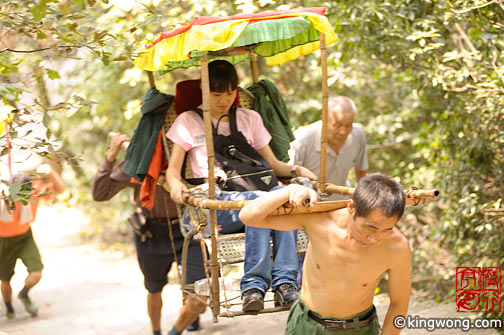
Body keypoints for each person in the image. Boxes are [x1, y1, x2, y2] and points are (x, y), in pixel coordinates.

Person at [166, 60, 317, 312]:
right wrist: (174, 185)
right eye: (216, 94)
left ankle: (284, 284)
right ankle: (254, 285)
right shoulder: (188, 121)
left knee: (282, 194)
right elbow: (173, 170)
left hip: (258, 196)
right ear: (203, 90)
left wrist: (297, 170)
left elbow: (273, 163)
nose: (224, 100)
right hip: (216, 204)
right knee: (264, 198)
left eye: (229, 92)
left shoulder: (250, 118)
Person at [239, 173, 412, 335]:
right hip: (306, 325)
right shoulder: (320, 221)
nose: (375, 238)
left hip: (360, 329)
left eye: (386, 230)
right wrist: (289, 191)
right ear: (352, 208)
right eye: (370, 227)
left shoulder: (397, 247)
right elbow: (249, 217)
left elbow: (399, 305)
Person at [92, 133, 206, 335]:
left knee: (199, 296)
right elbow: (100, 194)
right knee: (154, 287)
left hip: (188, 229)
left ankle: (176, 330)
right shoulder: (137, 163)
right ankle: (156, 332)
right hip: (151, 233)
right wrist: (111, 155)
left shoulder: (191, 158)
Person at [0, 161, 65, 319]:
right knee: (5, 279)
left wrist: (51, 173)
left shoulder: (32, 191)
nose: (23, 199)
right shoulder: (3, 198)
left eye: (25, 196)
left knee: (36, 273)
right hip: (3, 240)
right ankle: (8, 307)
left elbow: (60, 190)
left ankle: (24, 294)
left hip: (24, 236)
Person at [290, 96, 368, 200]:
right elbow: (287, 180)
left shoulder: (358, 134)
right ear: (323, 119)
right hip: (309, 205)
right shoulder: (302, 141)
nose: (343, 132)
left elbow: (362, 173)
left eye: (348, 125)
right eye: (337, 125)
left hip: (342, 202)